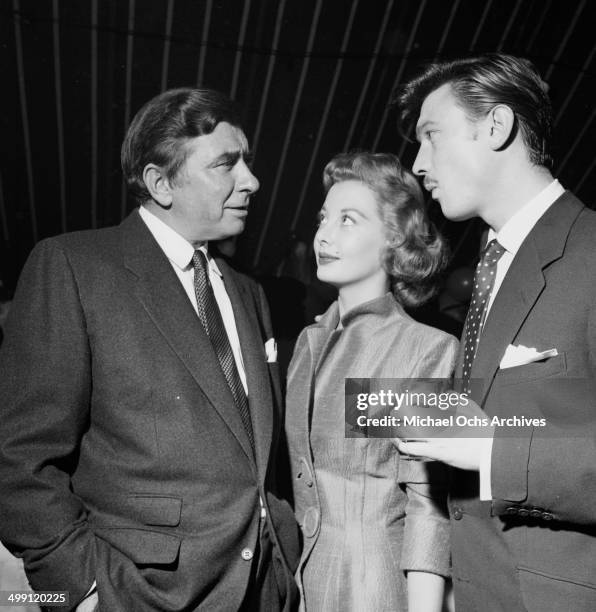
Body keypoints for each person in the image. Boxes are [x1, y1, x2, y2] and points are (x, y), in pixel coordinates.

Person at [0, 88, 299, 611]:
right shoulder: (73, 267)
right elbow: (20, 458)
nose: (250, 181)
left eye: (247, 163)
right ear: (160, 183)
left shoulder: (250, 294)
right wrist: (83, 591)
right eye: (227, 164)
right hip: (138, 594)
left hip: (264, 591)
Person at [396, 53, 596, 611]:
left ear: (497, 126)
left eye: (431, 136)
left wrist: (489, 447)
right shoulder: (495, 264)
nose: (418, 164)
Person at [285, 151, 458, 611]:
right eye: (324, 218)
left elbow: (428, 507)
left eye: (348, 220)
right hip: (297, 588)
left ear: (394, 239)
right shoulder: (306, 344)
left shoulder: (426, 349)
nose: (323, 233)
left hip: (373, 590)